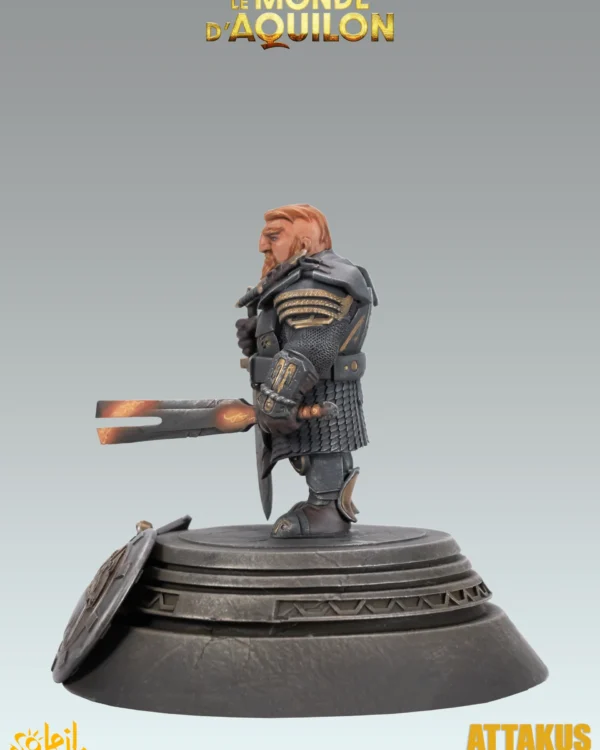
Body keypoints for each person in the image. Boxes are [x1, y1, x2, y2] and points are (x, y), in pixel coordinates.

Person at [236, 204, 377, 538]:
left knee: (324, 444)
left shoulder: (318, 280)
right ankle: (325, 503)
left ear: (304, 240)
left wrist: (276, 396)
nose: (262, 245)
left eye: (273, 237)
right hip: (312, 389)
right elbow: (296, 331)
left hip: (316, 389)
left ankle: (327, 508)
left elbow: (313, 345)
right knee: (317, 445)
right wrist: (264, 331)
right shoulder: (302, 274)